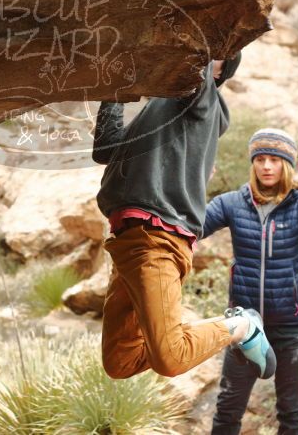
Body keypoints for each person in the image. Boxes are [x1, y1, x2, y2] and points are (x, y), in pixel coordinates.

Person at [93, 52, 276, 381]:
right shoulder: (160, 112)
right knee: (119, 362)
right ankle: (187, 332)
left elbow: (196, 55)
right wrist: (114, 88)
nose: (204, 64)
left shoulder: (203, 101)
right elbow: (105, 149)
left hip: (156, 239)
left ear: (217, 72)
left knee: (171, 358)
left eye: (214, 61)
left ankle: (242, 327)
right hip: (126, 242)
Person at [202, 129, 298, 434]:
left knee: (291, 412)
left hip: (293, 326)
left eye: (274, 159)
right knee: (228, 408)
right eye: (260, 159)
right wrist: (196, 182)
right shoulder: (232, 202)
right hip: (244, 325)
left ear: (286, 164)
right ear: (252, 164)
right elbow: (193, 226)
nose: (267, 166)